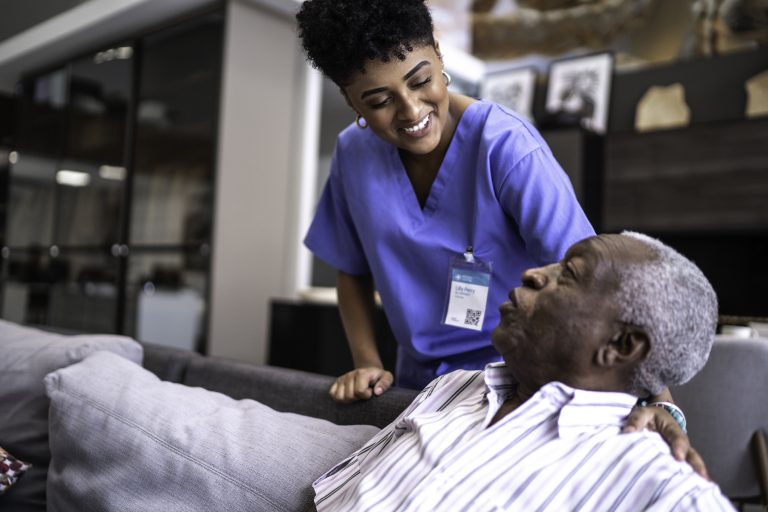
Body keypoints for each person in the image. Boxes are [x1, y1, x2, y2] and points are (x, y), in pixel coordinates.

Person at [297, 0, 595, 400]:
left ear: (438, 51)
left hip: (515, 381)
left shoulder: (506, 147)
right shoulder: (353, 154)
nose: (411, 110)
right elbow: (352, 270)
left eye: (420, 81)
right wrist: (367, 361)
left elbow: (590, 282)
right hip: (416, 387)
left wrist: (655, 399)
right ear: (351, 102)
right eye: (380, 101)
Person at [311, 232, 731, 511]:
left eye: (568, 274)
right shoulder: (453, 388)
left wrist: (668, 413)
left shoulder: (661, 486)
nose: (532, 272)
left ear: (620, 345)